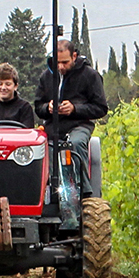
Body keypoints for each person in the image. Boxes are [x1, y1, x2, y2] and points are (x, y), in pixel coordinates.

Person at [32, 38, 107, 187]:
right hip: (53, 127)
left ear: (74, 56)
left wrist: (75, 109)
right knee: (39, 148)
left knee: (76, 144)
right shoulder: (46, 77)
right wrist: (49, 108)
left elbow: (101, 108)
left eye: (64, 62)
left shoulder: (90, 76)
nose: (60, 67)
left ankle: (84, 190)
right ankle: (44, 189)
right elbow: (38, 107)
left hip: (79, 125)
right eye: (57, 62)